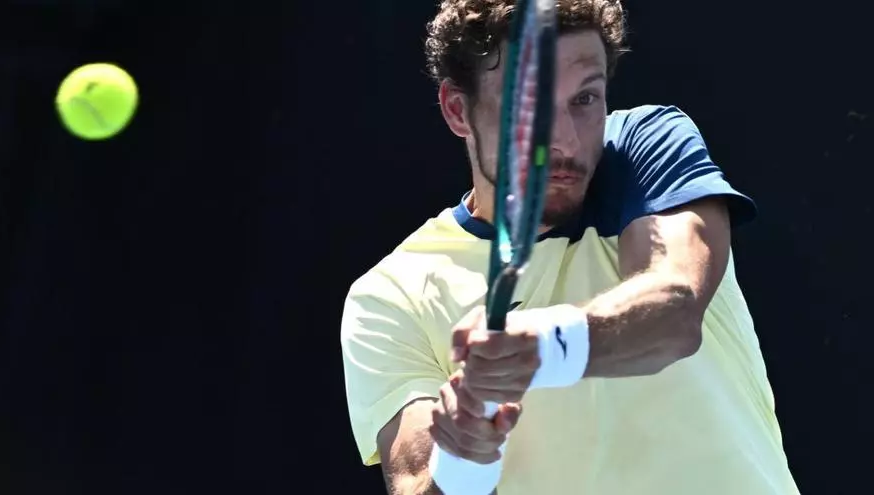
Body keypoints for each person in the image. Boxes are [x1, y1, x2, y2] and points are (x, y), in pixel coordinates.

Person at [340, 1, 800, 494]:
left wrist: (539, 345)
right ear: (457, 109)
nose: (564, 141)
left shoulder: (644, 149)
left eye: (585, 99)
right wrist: (463, 459)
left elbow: (674, 308)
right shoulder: (390, 295)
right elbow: (417, 483)